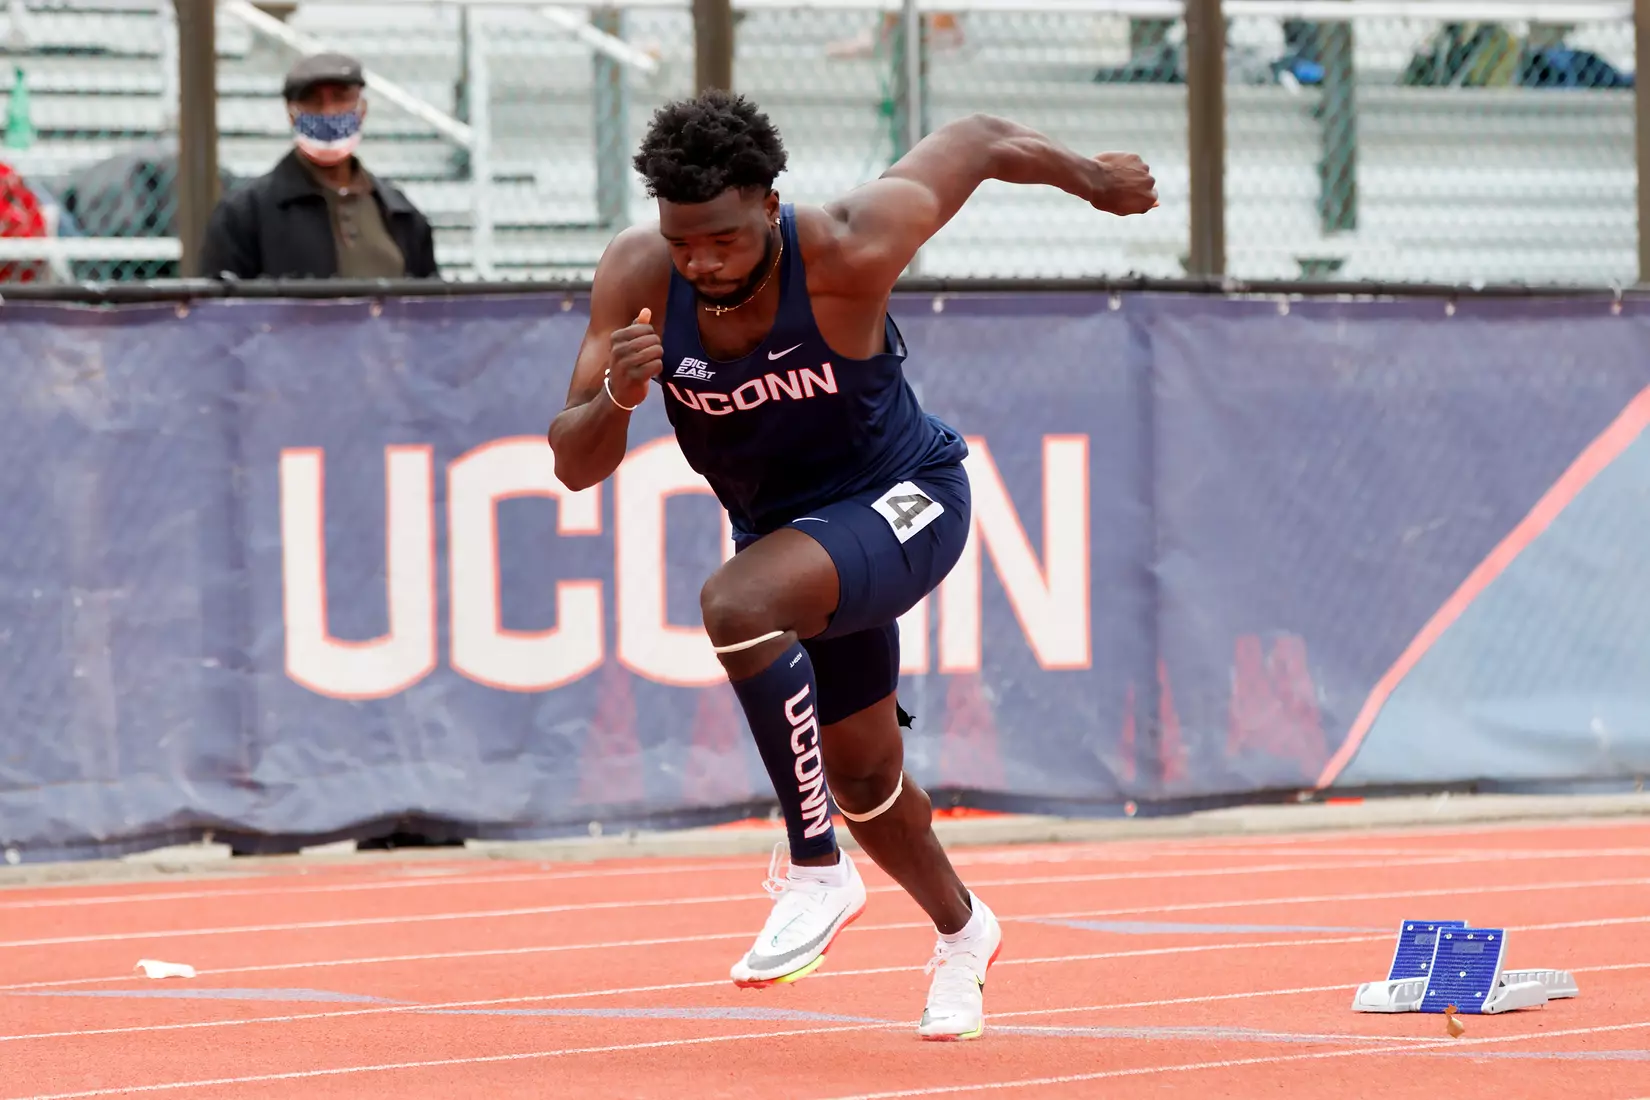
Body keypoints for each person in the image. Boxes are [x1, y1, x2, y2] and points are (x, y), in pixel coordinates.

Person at [547, 90, 1155, 1041]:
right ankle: (964, 930)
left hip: (909, 497)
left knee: (733, 602)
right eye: (683, 245)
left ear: (770, 205)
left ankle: (814, 869)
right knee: (866, 777)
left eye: (723, 241)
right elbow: (574, 466)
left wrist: (1091, 181)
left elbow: (980, 138)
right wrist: (620, 398)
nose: (701, 265)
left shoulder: (848, 246)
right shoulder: (638, 275)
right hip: (792, 543)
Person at [199, 52, 438, 281]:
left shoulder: (401, 214)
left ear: (362, 109)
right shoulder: (245, 215)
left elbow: (431, 313)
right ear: (291, 113)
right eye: (313, 100)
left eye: (340, 97)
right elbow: (218, 314)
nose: (328, 111)